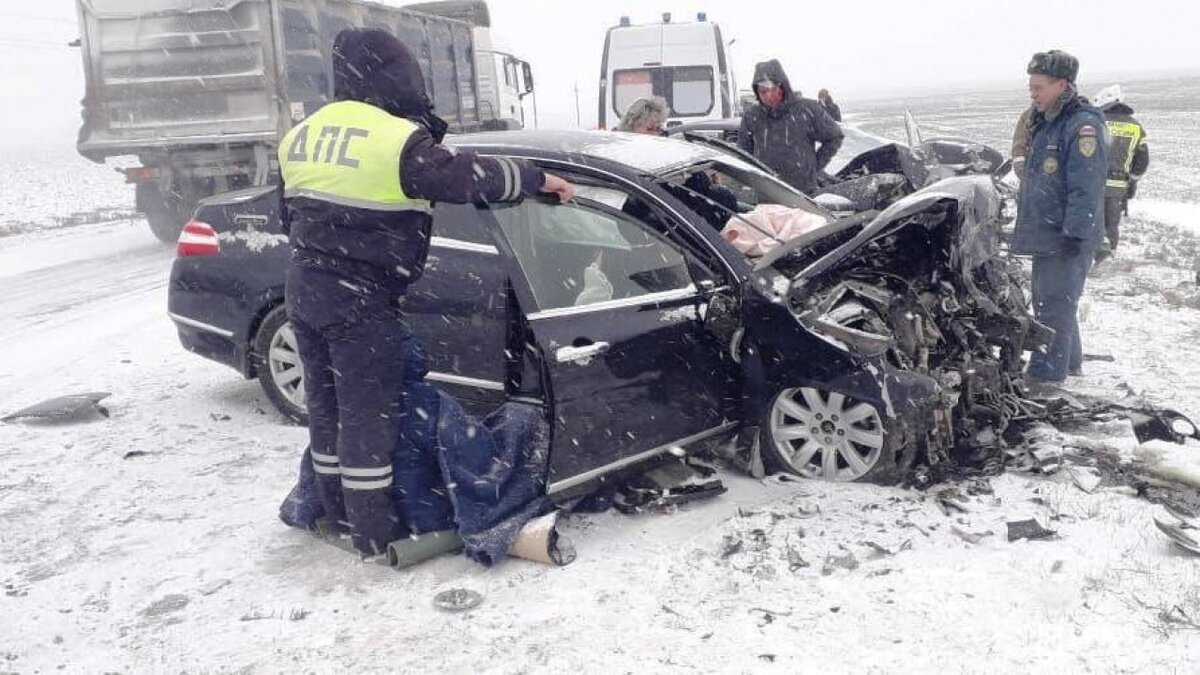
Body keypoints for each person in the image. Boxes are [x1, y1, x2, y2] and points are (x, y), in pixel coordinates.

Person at [278, 28, 573, 556]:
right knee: (367, 420)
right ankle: (372, 534)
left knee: (327, 411)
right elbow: (465, 177)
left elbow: (289, 216)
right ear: (394, 76)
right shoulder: (393, 138)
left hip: (304, 287)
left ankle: (334, 511)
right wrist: (534, 179)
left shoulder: (302, 134)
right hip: (359, 297)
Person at [1011, 50, 1108, 383]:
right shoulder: (1047, 122)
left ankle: (1045, 378)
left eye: (1038, 87)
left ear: (1062, 84)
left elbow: (1086, 187)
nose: (1033, 93)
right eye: (1031, 87)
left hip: (1065, 235)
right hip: (1048, 231)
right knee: (1056, 302)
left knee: (1053, 306)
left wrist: (1075, 234)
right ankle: (1070, 364)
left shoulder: (1082, 126)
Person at [738, 60, 844, 195]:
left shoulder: (807, 109)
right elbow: (744, 153)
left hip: (803, 193)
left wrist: (814, 166)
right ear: (757, 92)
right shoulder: (752, 116)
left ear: (782, 87)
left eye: (773, 90)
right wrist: (755, 177)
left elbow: (835, 136)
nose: (768, 96)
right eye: (763, 92)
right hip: (767, 193)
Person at [1092, 84, 1150, 255]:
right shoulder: (1136, 127)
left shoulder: (1095, 122)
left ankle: (1089, 256)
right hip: (1118, 186)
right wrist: (1133, 181)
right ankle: (1107, 255)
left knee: (1092, 222)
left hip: (1094, 182)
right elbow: (1142, 160)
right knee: (1111, 225)